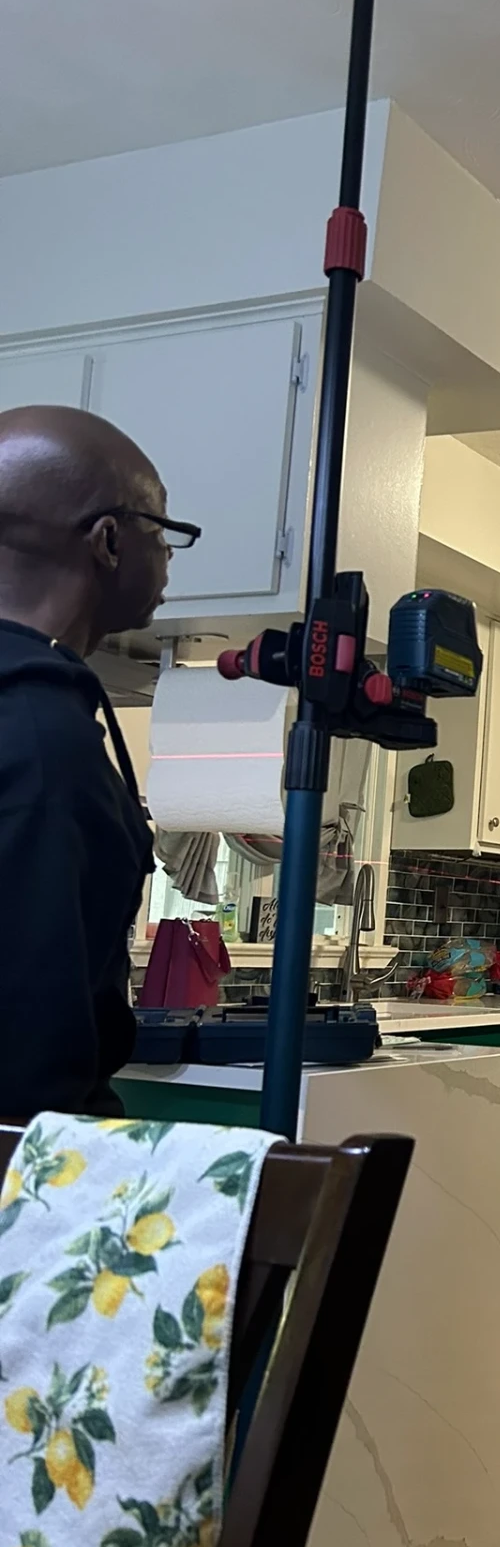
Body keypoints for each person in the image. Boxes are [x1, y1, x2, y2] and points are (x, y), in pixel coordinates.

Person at [0, 405, 196, 1118]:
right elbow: (27, 1054)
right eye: (164, 533)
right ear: (108, 540)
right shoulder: (43, 740)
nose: (170, 556)